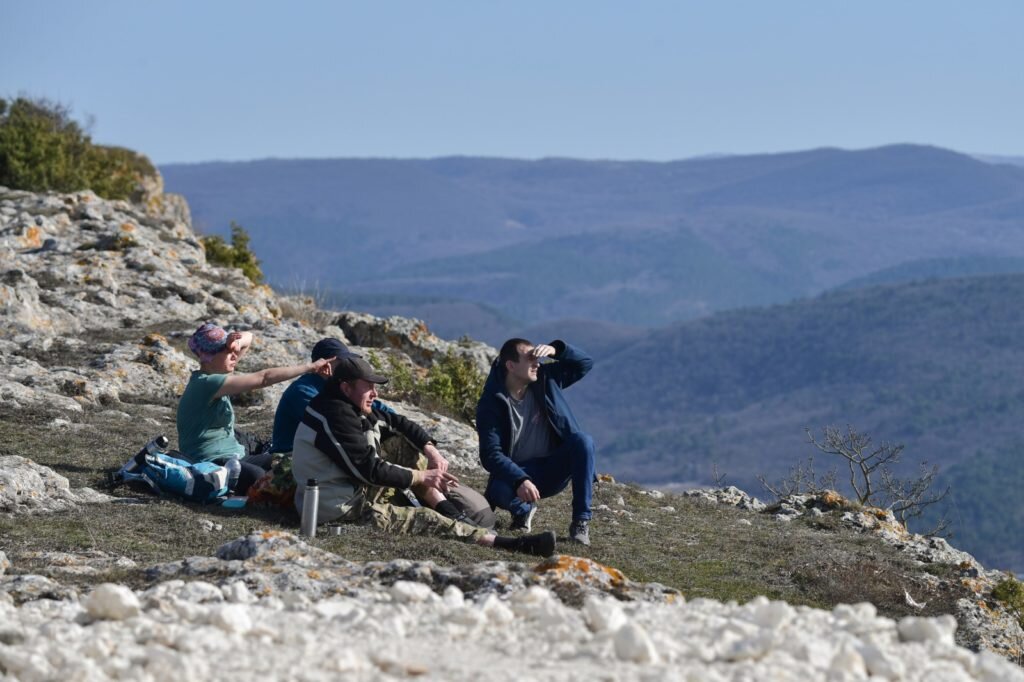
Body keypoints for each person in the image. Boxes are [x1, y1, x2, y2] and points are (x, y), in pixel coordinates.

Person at [292, 355, 556, 555]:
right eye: (368, 386)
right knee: (423, 519)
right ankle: (507, 544)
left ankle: (451, 512)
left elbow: (399, 423)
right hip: (338, 508)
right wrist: (421, 477)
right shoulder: (335, 415)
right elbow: (368, 470)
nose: (375, 392)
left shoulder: (352, 405)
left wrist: (431, 451)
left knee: (405, 446)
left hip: (352, 488)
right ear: (346, 387)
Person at [272, 338, 496, 528]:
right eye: (343, 362)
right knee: (379, 463)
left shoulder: (342, 394)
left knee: (400, 443)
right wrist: (415, 475)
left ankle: (445, 506)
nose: (350, 365)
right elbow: (342, 436)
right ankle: (437, 507)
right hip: (299, 463)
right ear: (328, 367)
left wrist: (430, 448)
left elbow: (386, 416)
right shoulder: (309, 394)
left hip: (339, 459)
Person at [177, 322, 333, 495]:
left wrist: (233, 343)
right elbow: (264, 378)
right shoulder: (207, 383)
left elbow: (248, 337)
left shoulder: (217, 372)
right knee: (260, 477)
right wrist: (309, 367)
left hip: (235, 454)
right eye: (226, 352)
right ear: (208, 356)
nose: (234, 355)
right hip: (210, 460)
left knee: (284, 463)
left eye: (234, 352)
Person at [476, 338, 596, 545]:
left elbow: (585, 363)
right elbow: (491, 454)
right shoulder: (491, 403)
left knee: (583, 441)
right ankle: (523, 511)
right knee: (498, 490)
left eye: (537, 357)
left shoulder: (546, 379)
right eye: (530, 359)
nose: (537, 363)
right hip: (515, 475)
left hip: (551, 468)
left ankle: (580, 522)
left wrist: (556, 350)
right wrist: (520, 479)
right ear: (511, 366)